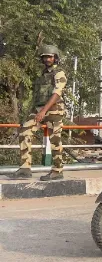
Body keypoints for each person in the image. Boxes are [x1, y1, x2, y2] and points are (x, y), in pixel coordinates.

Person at [6, 45, 67, 181]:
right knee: (24, 131)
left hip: (54, 110)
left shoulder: (59, 73)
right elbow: (37, 95)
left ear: (55, 58)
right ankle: (25, 168)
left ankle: (57, 170)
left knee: (55, 140)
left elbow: (57, 93)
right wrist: (33, 110)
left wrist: (44, 111)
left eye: (50, 56)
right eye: (45, 57)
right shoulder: (42, 75)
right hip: (39, 109)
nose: (47, 59)